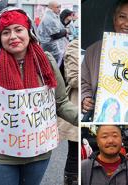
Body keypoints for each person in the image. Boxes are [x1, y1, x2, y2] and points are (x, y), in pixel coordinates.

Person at [0, 7, 78, 185]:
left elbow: (61, 102)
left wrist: (85, 121)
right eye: (6, 32)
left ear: (29, 32)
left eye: (18, 30)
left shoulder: (46, 62)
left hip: (38, 153)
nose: (13, 36)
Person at [60, 38, 79, 185]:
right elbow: (73, 79)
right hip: (78, 106)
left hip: (109, 107)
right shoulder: (75, 45)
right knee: (75, 152)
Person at [37, 1, 69, 67]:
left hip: (52, 47)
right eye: (57, 7)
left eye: (60, 7)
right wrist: (66, 31)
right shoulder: (50, 18)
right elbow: (55, 35)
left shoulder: (53, 16)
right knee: (53, 67)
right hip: (51, 48)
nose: (59, 9)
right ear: (51, 8)